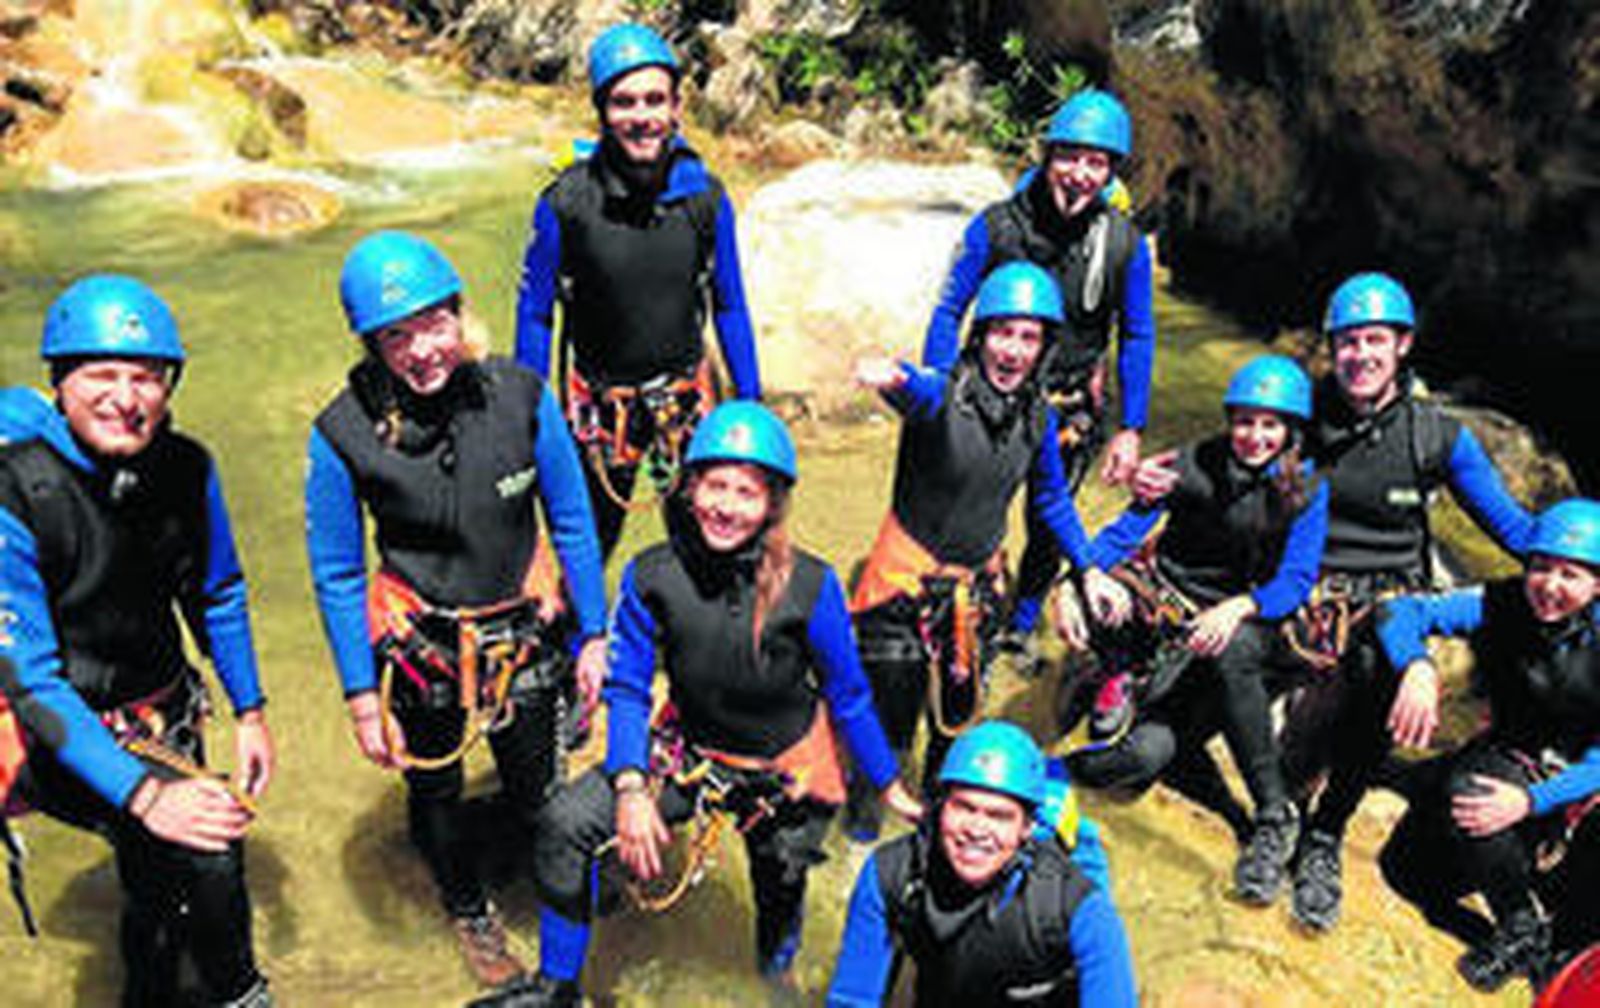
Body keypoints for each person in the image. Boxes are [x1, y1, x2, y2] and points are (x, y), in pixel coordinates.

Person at [1133, 270, 1534, 930]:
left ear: (1403, 344)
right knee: (1206, 685)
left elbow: (1517, 531)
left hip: (1386, 607)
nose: (1360, 355)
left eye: (1375, 340)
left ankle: (1324, 835)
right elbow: (1228, 449)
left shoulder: (1435, 437)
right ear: (1332, 348)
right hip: (1294, 595)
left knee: (1381, 668)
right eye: (1347, 341)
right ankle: (1273, 814)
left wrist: (1582, 563)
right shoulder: (1301, 413)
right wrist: (1164, 471)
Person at [505, 402, 918, 1008]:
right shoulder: (652, 577)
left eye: (746, 492)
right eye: (714, 485)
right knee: (565, 825)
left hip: (783, 773)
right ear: (690, 485)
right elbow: (627, 687)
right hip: (689, 754)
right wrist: (631, 789)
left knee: (779, 884)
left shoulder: (811, 585)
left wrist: (889, 785)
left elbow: (849, 694)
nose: (726, 506)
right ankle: (557, 986)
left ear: (773, 503)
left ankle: (775, 980)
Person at [305, 231, 609, 990]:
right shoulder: (342, 433)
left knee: (541, 790)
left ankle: (548, 897)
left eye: (433, 325)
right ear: (372, 345)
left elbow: (571, 522)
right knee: (435, 786)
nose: (421, 352)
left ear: (459, 314)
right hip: (422, 645)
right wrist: (361, 697)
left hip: (522, 636)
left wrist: (595, 635)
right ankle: (467, 905)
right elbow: (339, 573)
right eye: (395, 337)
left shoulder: (521, 396)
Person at [0, 276, 274, 1006]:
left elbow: (217, 591)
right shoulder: (16, 489)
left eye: (147, 378)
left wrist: (250, 710)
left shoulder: (186, 467)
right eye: (103, 375)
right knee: (199, 855)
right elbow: (30, 679)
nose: (128, 397)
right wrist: (143, 794)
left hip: (161, 718)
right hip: (62, 727)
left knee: (183, 867)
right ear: (58, 383)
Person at [843, 262, 1115, 841]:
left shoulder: (1039, 418)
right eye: (1003, 332)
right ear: (980, 335)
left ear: (1044, 347)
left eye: (1028, 335)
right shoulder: (942, 393)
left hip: (973, 601)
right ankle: (859, 846)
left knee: (953, 736)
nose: (1014, 349)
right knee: (888, 737)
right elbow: (915, 391)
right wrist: (891, 376)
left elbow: (1051, 501)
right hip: (900, 592)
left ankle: (935, 844)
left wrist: (1090, 568)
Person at [1073, 355, 1328, 905]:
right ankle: (1049, 759)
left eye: (1270, 424)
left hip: (1235, 630)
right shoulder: (1190, 465)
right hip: (1168, 614)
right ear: (1229, 420)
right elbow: (1124, 533)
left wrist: (1239, 607)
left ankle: (1271, 816)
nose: (1255, 436)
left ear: (1290, 431)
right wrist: (1087, 574)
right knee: (1138, 761)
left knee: (1160, 742)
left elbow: (1297, 580)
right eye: (1244, 421)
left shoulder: (1306, 489)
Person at [516, 21, 761, 560]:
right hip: (601, 416)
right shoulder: (566, 204)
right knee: (583, 550)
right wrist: (528, 417)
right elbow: (536, 315)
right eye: (624, 102)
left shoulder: (704, 198)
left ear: (677, 106)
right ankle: (585, 640)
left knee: (709, 547)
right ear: (602, 112)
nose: (642, 116)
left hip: (686, 406)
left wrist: (750, 404)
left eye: (655, 99)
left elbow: (730, 305)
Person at [921, 87, 1157, 648]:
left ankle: (1022, 625)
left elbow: (1139, 334)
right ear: (1046, 157)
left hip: (1070, 404)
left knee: (1050, 521)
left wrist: (1131, 427)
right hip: (992, 398)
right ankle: (953, 608)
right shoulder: (998, 227)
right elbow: (949, 309)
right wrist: (938, 387)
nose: (1079, 174)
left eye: (1095, 162)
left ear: (1110, 172)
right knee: (970, 507)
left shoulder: (1123, 245)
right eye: (1069, 157)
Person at [1375, 500, 1600, 993]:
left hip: (1569, 787)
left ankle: (1523, 926)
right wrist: (1417, 666)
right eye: (1540, 568)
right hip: (1503, 754)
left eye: (1570, 575)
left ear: (1598, 584)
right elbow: (1399, 610)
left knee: (1473, 788)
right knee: (1406, 874)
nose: (1550, 586)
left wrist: (1532, 801)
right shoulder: (1503, 602)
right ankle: (1512, 929)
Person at [827, 720, 1137, 1007]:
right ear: (939, 806)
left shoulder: (1076, 906)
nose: (976, 830)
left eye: (999, 816)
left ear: (1026, 828)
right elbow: (852, 999)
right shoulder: (892, 875)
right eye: (964, 807)